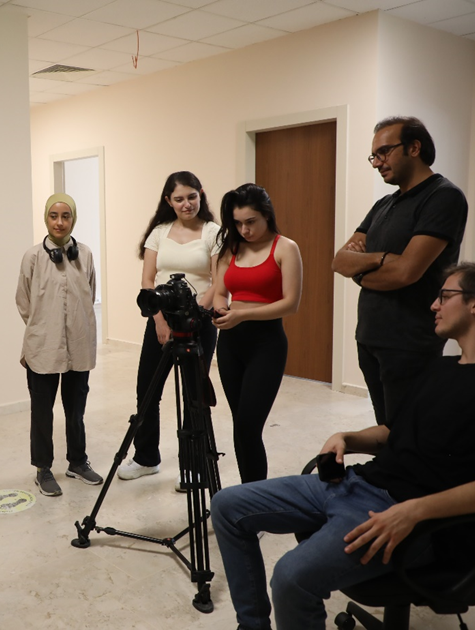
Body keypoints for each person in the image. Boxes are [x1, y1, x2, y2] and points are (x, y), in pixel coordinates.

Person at [210, 263, 475, 630]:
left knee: (291, 578)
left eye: (444, 296)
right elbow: (392, 431)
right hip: (357, 483)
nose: (434, 305)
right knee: (227, 505)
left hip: (407, 514)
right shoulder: (441, 369)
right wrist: (348, 438)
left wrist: (412, 511)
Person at [332, 116, 468, 427]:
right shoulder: (383, 204)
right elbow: (340, 261)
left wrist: (363, 266)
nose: (377, 163)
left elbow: (407, 272)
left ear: (414, 148)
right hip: (370, 336)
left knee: (408, 431)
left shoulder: (443, 197)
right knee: (386, 429)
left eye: (384, 152)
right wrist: (383, 259)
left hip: (410, 340)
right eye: (374, 156)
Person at [118, 171, 221, 485]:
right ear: (169, 201)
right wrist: (159, 320)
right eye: (179, 199)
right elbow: (148, 280)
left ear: (201, 194)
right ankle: (146, 457)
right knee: (147, 391)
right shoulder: (159, 232)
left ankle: (193, 466)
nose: (186, 204)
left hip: (199, 322)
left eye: (192, 196)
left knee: (194, 396)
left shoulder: (213, 232)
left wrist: (197, 314)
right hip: (161, 320)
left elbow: (219, 281)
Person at [212, 184, 302, 484]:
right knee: (240, 426)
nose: (244, 230)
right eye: (237, 223)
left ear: (267, 215)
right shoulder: (231, 248)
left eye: (250, 222)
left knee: (249, 426)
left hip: (266, 344)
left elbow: (290, 304)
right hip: (230, 343)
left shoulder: (285, 248)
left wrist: (242, 314)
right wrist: (221, 309)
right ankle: (248, 495)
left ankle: (255, 499)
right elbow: (220, 292)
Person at [16, 192, 102, 497]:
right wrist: (44, 327)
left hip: (79, 343)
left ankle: (77, 462)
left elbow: (90, 293)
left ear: (73, 219)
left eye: (66, 216)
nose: (60, 222)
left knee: (76, 410)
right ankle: (43, 468)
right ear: (46, 218)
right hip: (44, 346)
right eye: (54, 216)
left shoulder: (85, 254)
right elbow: (23, 301)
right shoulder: (33, 257)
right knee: (42, 412)